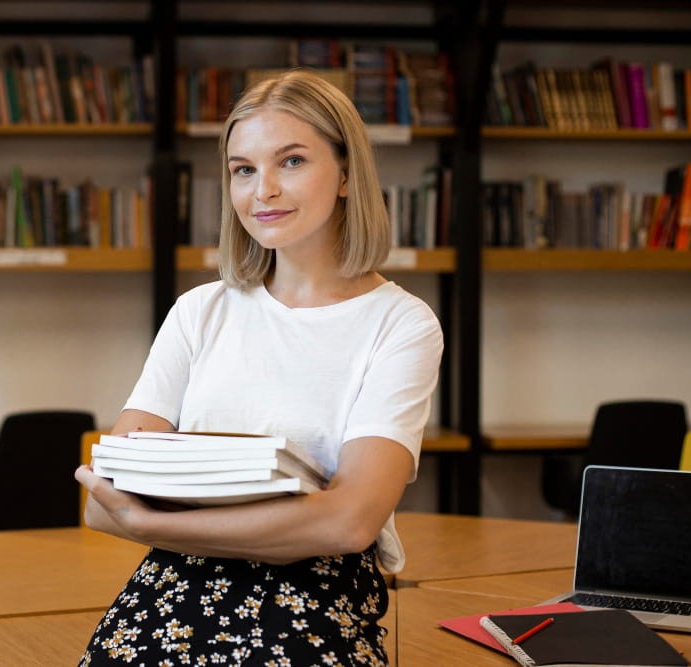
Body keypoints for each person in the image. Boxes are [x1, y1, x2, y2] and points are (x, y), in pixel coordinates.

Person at [74, 68, 443, 666]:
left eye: (291, 161)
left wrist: (152, 525)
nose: (261, 190)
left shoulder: (401, 323)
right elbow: (104, 499)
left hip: (316, 595)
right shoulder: (199, 311)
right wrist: (289, 519)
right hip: (170, 587)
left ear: (347, 172)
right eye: (243, 169)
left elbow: (349, 525)